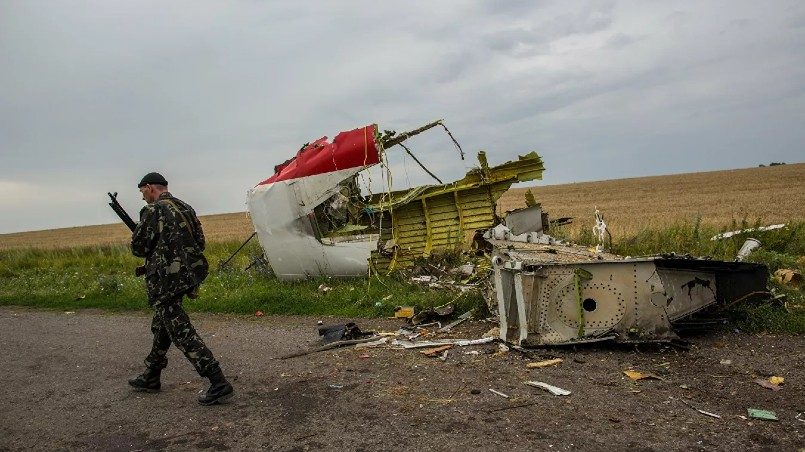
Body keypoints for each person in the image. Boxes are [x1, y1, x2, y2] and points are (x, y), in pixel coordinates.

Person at [127, 172, 234, 405]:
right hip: (187, 277)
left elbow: (138, 248)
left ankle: (218, 381)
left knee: (180, 331)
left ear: (150, 187)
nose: (143, 197)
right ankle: (151, 375)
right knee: (163, 325)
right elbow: (200, 243)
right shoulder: (185, 207)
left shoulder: (153, 211)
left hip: (165, 281)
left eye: (142, 191)